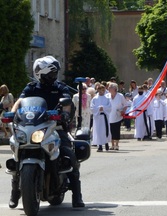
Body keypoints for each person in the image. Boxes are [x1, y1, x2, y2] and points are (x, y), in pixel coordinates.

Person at [9, 56, 85, 208]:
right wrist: (12, 113)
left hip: (55, 127)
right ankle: (15, 192)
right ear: (40, 74)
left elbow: (67, 101)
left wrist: (64, 113)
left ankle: (77, 194)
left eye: (54, 73)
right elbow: (20, 101)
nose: (54, 76)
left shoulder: (60, 87)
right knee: (17, 153)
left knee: (68, 154)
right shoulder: (31, 87)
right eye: (51, 73)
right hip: (32, 127)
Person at [90, 84, 111, 152]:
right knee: (98, 131)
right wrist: (98, 109)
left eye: (103, 90)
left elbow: (110, 107)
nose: (102, 91)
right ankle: (100, 146)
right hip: (98, 117)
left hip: (104, 116)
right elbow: (92, 108)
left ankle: (106, 143)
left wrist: (104, 108)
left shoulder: (107, 98)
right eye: (101, 90)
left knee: (105, 131)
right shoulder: (95, 99)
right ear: (98, 90)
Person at [107, 82, 127, 150]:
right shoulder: (107, 95)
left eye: (110, 87)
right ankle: (112, 145)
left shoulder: (120, 96)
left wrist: (123, 111)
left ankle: (117, 144)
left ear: (114, 88)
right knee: (111, 131)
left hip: (117, 115)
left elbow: (125, 105)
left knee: (116, 130)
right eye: (109, 87)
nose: (109, 88)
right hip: (109, 116)